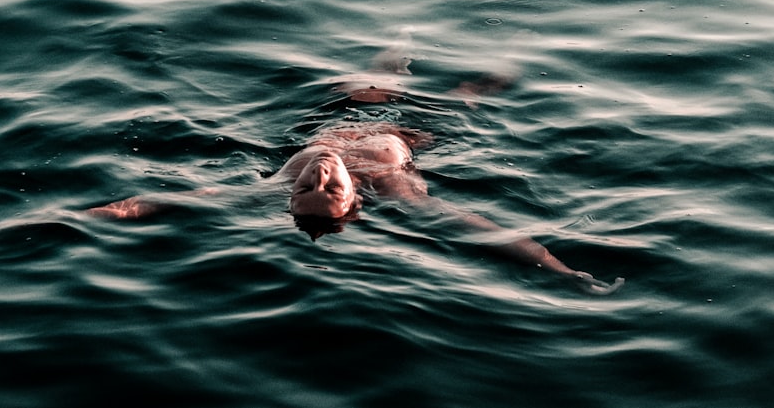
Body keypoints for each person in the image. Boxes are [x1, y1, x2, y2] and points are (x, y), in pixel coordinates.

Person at [87, 43, 624, 296]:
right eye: (329, 184)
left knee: (369, 80)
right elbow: (487, 234)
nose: (320, 172)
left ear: (287, 195)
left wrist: (78, 217)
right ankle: (525, 51)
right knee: (471, 92)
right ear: (353, 200)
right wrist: (564, 272)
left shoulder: (262, 192)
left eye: (305, 184)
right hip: (415, 131)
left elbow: (151, 205)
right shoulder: (392, 189)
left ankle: (401, 44)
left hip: (345, 116)